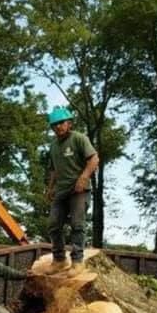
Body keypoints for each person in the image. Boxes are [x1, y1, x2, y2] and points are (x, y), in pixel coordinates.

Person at [45, 106, 99, 275]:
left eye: (61, 123)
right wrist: (50, 187)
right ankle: (59, 260)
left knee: (77, 224)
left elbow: (94, 159)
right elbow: (53, 169)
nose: (58, 127)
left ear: (69, 123)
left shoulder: (79, 139)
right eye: (55, 125)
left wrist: (83, 178)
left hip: (78, 190)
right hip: (61, 191)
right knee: (54, 224)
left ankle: (77, 261)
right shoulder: (53, 146)